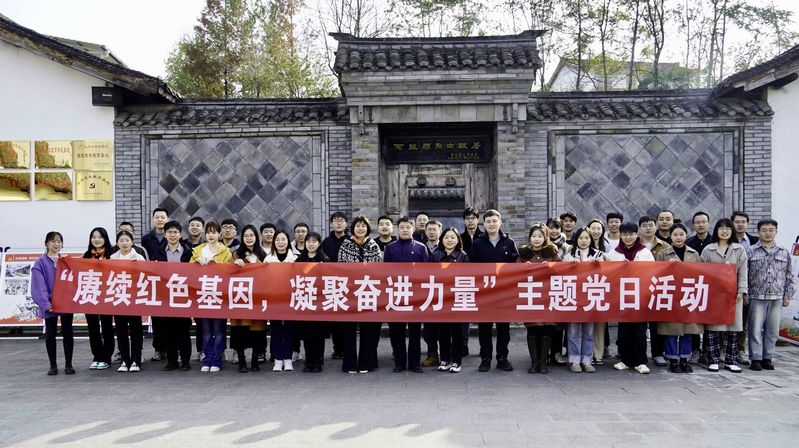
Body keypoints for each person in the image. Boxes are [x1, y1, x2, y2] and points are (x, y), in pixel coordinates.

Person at [471, 209, 518, 372]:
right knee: (484, 328)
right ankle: (485, 358)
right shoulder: (477, 243)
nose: (491, 224)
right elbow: (471, 267)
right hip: (484, 293)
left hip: (504, 293)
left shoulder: (509, 243)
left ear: (500, 222)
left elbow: (516, 266)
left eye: (494, 221)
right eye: (488, 222)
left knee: (503, 328)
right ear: (484, 224)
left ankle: (502, 358)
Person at [747, 219, 796, 371]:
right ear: (758, 232)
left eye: (771, 230)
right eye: (764, 230)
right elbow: (744, 274)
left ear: (776, 231)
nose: (767, 233)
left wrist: (788, 295)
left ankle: (767, 358)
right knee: (755, 329)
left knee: (772, 330)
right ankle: (756, 358)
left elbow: (790, 275)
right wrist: (745, 293)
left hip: (777, 297)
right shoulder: (750, 251)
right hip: (756, 296)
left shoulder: (783, 251)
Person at [701, 218, 748, 373]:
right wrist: (721, 268)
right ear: (716, 231)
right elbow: (702, 272)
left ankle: (731, 360)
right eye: (721, 228)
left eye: (728, 228)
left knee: (732, 328)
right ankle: (713, 359)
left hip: (733, 294)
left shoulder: (739, 249)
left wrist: (741, 290)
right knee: (713, 328)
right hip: (714, 295)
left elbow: (743, 273)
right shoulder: (708, 249)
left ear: (732, 231)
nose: (724, 231)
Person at [337, 216, 383, 373]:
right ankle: (349, 364)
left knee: (368, 329)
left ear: (368, 228)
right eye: (358, 226)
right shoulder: (345, 245)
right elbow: (341, 268)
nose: (361, 228)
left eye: (364, 226)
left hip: (368, 291)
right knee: (349, 329)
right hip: (349, 292)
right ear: (353, 228)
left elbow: (378, 269)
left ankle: (366, 363)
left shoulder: (374, 246)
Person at [384, 216, 429, 373]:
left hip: (415, 295)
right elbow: (385, 272)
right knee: (398, 331)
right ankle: (399, 363)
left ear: (413, 229)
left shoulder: (421, 247)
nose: (404, 230)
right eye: (402, 227)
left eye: (408, 227)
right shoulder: (390, 248)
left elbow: (426, 272)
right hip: (396, 294)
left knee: (415, 331)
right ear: (397, 229)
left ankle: (415, 363)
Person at [655, 223, 702, 374]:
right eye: (675, 235)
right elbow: (656, 274)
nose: (678, 237)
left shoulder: (694, 254)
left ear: (686, 236)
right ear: (670, 236)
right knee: (671, 329)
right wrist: (667, 267)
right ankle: (673, 360)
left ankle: (684, 360)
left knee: (688, 330)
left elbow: (700, 273)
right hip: (671, 295)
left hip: (688, 294)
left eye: (681, 234)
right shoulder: (663, 254)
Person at [608, 222, 654, 374]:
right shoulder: (614, 253)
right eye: (625, 234)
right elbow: (608, 273)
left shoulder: (645, 253)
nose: (628, 237)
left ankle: (641, 361)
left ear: (636, 235)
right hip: (622, 296)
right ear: (620, 235)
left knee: (640, 330)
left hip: (640, 296)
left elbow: (652, 272)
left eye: (631, 234)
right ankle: (625, 360)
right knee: (624, 330)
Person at [190, 221, 233, 372]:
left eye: (214, 232)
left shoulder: (226, 252)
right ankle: (207, 359)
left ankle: (217, 359)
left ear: (219, 234)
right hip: (203, 295)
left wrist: (218, 264)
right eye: (208, 232)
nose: (211, 235)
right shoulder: (198, 251)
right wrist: (195, 263)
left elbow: (231, 272)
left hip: (219, 296)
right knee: (206, 330)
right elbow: (188, 272)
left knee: (219, 330)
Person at [518, 223, 561, 374]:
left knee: (547, 329)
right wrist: (523, 268)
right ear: (530, 237)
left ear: (545, 237)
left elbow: (562, 270)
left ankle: (543, 362)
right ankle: (534, 362)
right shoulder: (524, 254)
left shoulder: (552, 252)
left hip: (548, 297)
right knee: (533, 329)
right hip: (531, 297)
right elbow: (513, 273)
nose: (536, 239)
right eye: (534, 236)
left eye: (540, 236)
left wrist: (551, 267)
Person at [151, 221, 193, 371]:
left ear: (180, 234)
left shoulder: (188, 252)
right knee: (168, 331)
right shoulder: (158, 252)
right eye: (169, 232)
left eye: (175, 232)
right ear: (165, 234)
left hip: (183, 296)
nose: (173, 235)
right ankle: (172, 361)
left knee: (183, 331)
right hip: (165, 297)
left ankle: (186, 361)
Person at [31, 231, 74, 376]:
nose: (56, 244)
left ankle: (69, 364)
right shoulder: (40, 263)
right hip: (50, 303)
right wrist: (45, 303)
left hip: (65, 302)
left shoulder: (66, 261)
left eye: (59, 241)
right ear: (47, 243)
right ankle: (53, 365)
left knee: (68, 332)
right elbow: (38, 285)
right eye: (53, 241)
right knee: (50, 334)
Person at [563, 227, 603, 373]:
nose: (584, 241)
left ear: (591, 239)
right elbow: (560, 275)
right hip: (573, 298)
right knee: (573, 331)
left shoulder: (598, 255)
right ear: (576, 239)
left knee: (589, 331)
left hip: (591, 298)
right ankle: (574, 360)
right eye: (581, 238)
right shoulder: (569, 256)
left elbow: (607, 274)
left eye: (587, 238)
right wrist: (569, 266)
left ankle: (587, 360)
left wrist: (599, 265)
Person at [431, 227, 469, 373]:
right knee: (443, 332)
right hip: (441, 298)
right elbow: (428, 275)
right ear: (442, 239)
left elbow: (468, 276)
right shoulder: (436, 255)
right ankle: (445, 359)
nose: (449, 240)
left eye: (453, 237)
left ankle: (457, 361)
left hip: (458, 298)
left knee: (458, 332)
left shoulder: (463, 256)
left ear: (458, 240)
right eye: (446, 237)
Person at [231, 225, 268, 373]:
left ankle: (255, 360)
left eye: (251, 235)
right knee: (240, 330)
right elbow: (228, 272)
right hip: (241, 297)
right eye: (246, 236)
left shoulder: (263, 255)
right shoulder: (236, 254)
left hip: (257, 297)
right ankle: (241, 360)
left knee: (257, 330)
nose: (249, 238)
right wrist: (235, 264)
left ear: (256, 237)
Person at [110, 230, 146, 372]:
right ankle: (125, 360)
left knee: (136, 330)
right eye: (121, 240)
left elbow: (146, 276)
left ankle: (136, 360)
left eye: (127, 240)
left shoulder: (139, 257)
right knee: (121, 331)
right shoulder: (112, 258)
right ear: (117, 243)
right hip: (119, 298)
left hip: (134, 299)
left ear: (132, 242)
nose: (124, 243)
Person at [265, 229, 298, 372]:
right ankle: (278, 360)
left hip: (291, 299)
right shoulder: (268, 259)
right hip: (274, 300)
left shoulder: (295, 258)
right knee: (276, 330)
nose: (280, 242)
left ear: (288, 241)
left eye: (283, 239)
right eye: (277, 239)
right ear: (274, 242)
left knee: (290, 330)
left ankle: (288, 359)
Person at [296, 232, 329, 373]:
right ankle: (308, 360)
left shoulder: (325, 260)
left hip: (320, 303)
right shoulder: (299, 260)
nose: (311, 244)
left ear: (319, 243)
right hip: (305, 302)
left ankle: (318, 361)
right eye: (308, 241)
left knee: (318, 334)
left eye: (314, 241)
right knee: (307, 334)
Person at [82, 227, 115, 370]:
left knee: (107, 327)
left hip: (107, 296)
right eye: (94, 237)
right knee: (93, 327)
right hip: (90, 295)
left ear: (105, 239)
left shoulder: (112, 254)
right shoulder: (86, 255)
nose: (97, 240)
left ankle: (107, 356)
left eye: (100, 237)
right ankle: (97, 355)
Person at [731, 211, 758, 364]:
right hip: (727, 286)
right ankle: (725, 350)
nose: (740, 225)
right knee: (727, 319)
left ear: (747, 223)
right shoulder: (727, 240)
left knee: (743, 320)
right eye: (737, 222)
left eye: (743, 222)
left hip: (747, 286)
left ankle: (740, 350)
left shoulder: (754, 241)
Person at [142, 208, 168, 362]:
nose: (160, 220)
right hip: (154, 283)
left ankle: (172, 348)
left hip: (170, 283)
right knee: (157, 318)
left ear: (167, 219)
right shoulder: (146, 239)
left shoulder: (172, 236)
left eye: (162, 217)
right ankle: (158, 349)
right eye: (157, 217)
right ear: (153, 220)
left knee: (170, 318)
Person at [322, 212, 348, 360]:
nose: (338, 223)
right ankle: (337, 349)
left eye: (341, 220)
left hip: (348, 284)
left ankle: (346, 348)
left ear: (346, 224)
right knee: (334, 319)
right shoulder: (326, 242)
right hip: (331, 283)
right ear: (331, 224)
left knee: (346, 318)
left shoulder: (350, 241)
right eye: (336, 221)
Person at [421, 219, 442, 367]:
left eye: (435, 229)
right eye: (429, 229)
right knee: (428, 327)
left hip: (443, 292)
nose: (432, 232)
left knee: (444, 326)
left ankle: (446, 354)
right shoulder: (420, 247)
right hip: (425, 292)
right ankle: (432, 354)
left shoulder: (446, 245)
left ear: (440, 231)